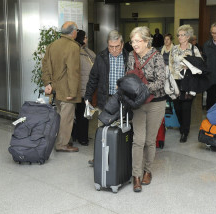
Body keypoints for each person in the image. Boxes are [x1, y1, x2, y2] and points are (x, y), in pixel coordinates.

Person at [128, 26, 166, 192]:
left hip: (156, 103)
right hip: (138, 104)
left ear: (146, 41)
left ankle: (147, 171)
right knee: (138, 140)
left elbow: (160, 82)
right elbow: (128, 76)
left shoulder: (157, 56)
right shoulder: (131, 55)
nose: (134, 44)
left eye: (137, 41)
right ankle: (136, 175)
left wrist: (142, 88)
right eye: (132, 41)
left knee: (150, 140)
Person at [84, 30, 129, 164]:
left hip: (122, 100)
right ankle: (99, 158)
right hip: (105, 99)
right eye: (111, 47)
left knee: (120, 130)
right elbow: (93, 78)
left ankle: (119, 159)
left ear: (122, 44)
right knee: (102, 129)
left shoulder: (129, 57)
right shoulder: (101, 57)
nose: (114, 50)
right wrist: (87, 96)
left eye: (116, 46)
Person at [42, 21, 80, 152]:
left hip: (56, 89)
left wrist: (47, 83)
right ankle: (62, 144)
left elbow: (45, 66)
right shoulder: (73, 47)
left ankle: (61, 140)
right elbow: (73, 71)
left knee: (59, 116)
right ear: (73, 32)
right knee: (66, 118)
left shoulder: (52, 45)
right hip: (67, 89)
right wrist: (73, 91)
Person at [169, 25, 202, 143]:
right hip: (176, 81)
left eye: (182, 35)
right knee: (177, 107)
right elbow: (170, 64)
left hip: (189, 82)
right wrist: (170, 80)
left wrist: (188, 66)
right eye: (178, 35)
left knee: (186, 108)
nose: (180, 37)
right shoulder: (174, 48)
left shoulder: (194, 49)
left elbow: (200, 64)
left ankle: (184, 132)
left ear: (188, 37)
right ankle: (182, 126)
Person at [71, 30, 96, 146]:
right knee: (82, 114)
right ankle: (82, 138)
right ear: (80, 38)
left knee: (82, 113)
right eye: (85, 37)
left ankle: (79, 136)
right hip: (81, 89)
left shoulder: (86, 51)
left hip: (85, 88)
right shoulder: (77, 52)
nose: (86, 39)